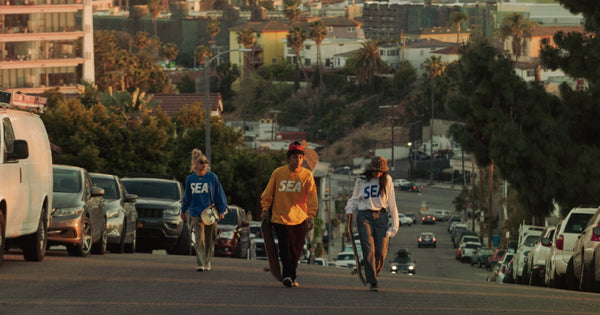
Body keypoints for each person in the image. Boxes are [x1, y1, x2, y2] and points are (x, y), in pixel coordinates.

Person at [261, 141, 318, 287]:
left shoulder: (307, 175)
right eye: (294, 157)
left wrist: (311, 216)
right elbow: (268, 193)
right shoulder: (278, 173)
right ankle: (287, 276)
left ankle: (291, 275)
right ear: (288, 159)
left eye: (300, 157)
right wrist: (265, 209)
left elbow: (312, 197)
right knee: (285, 248)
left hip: (300, 218)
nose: (297, 160)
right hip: (280, 217)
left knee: (296, 250)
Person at [345, 156, 399, 291]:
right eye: (376, 171)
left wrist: (395, 225)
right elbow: (355, 198)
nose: (378, 174)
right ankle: (373, 281)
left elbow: (392, 203)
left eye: (381, 171)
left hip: (381, 215)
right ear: (370, 170)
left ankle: (375, 273)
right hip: (364, 216)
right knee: (368, 249)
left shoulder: (387, 180)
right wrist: (349, 209)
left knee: (381, 250)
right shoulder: (362, 180)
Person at [181, 149, 228, 272]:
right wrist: (183, 210)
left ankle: (207, 261)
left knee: (209, 238)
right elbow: (187, 196)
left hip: (210, 213)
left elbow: (219, 194)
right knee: (199, 239)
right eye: (201, 162)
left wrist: (222, 210)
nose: (204, 164)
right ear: (196, 164)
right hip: (196, 213)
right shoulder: (190, 179)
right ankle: (201, 263)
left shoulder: (212, 177)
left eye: (206, 162)